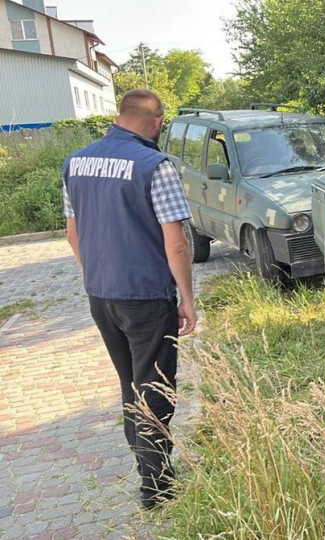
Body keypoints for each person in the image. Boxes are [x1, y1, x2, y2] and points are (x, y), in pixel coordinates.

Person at [62, 89, 197, 509]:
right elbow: (175, 244)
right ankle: (155, 487)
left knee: (130, 384)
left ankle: (151, 469)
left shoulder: (76, 162)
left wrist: (98, 274)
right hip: (146, 296)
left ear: (120, 116)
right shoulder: (154, 166)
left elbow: (73, 233)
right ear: (156, 123)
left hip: (101, 294)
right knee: (155, 386)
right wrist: (187, 299)